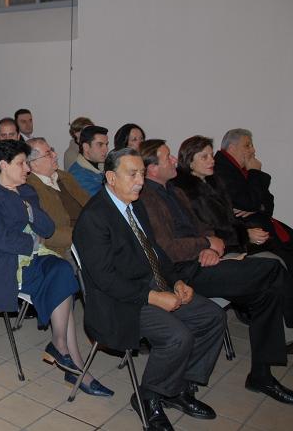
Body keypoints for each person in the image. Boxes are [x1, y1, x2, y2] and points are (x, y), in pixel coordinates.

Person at [140, 139, 293, 404]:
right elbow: (167, 249)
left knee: (266, 293)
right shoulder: (148, 198)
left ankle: (261, 375)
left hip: (201, 261)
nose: (174, 160)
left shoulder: (175, 191)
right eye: (168, 157)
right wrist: (205, 244)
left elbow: (203, 227)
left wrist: (211, 244)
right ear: (152, 169)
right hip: (182, 271)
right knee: (272, 269)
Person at [74, 148, 224, 429]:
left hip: (151, 284)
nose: (141, 181)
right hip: (119, 302)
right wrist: (153, 296)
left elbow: (155, 251)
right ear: (111, 178)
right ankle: (148, 397)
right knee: (177, 336)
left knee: (213, 317)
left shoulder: (136, 205)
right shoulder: (94, 218)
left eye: (142, 173)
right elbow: (105, 279)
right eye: (132, 174)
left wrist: (176, 281)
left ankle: (178, 388)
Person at [0, 140, 112, 396]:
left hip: (32, 256)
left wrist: (30, 212)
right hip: (3, 266)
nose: (27, 168)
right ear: (3, 165)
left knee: (63, 270)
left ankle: (61, 347)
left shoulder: (26, 191)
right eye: (21, 163)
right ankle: (74, 364)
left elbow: (47, 229)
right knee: (61, 280)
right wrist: (32, 241)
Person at [171, 136, 293, 358]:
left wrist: (244, 228)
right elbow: (209, 230)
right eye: (204, 156)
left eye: (211, 154)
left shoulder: (212, 182)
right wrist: (244, 233)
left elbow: (247, 211)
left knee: (283, 261)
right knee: (274, 266)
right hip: (213, 254)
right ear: (189, 161)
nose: (211, 160)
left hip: (230, 244)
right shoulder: (185, 190)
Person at [214, 128, 293, 300]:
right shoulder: (222, 170)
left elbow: (268, 204)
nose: (253, 150)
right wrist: (255, 173)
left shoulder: (240, 169)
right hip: (248, 233)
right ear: (232, 148)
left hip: (266, 224)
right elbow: (249, 202)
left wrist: (257, 206)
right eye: (247, 145)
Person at [25, 138, 90, 257]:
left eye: (52, 150)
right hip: (66, 248)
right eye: (48, 154)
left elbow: (89, 203)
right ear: (34, 163)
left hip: (90, 232)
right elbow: (45, 234)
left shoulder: (65, 176)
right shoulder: (29, 190)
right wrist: (82, 235)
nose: (55, 155)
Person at [68, 125, 109, 196]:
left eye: (106, 144)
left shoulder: (102, 168)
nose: (106, 149)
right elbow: (104, 199)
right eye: (100, 144)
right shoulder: (78, 175)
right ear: (86, 147)